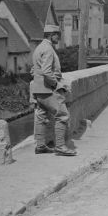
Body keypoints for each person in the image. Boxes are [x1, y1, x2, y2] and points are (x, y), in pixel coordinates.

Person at [29, 24, 76, 156]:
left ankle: (40, 146)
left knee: (41, 116)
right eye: (58, 35)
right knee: (62, 115)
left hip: (38, 89)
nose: (59, 38)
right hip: (48, 89)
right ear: (51, 35)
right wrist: (57, 85)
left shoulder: (39, 48)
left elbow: (34, 70)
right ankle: (60, 147)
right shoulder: (48, 49)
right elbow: (46, 72)